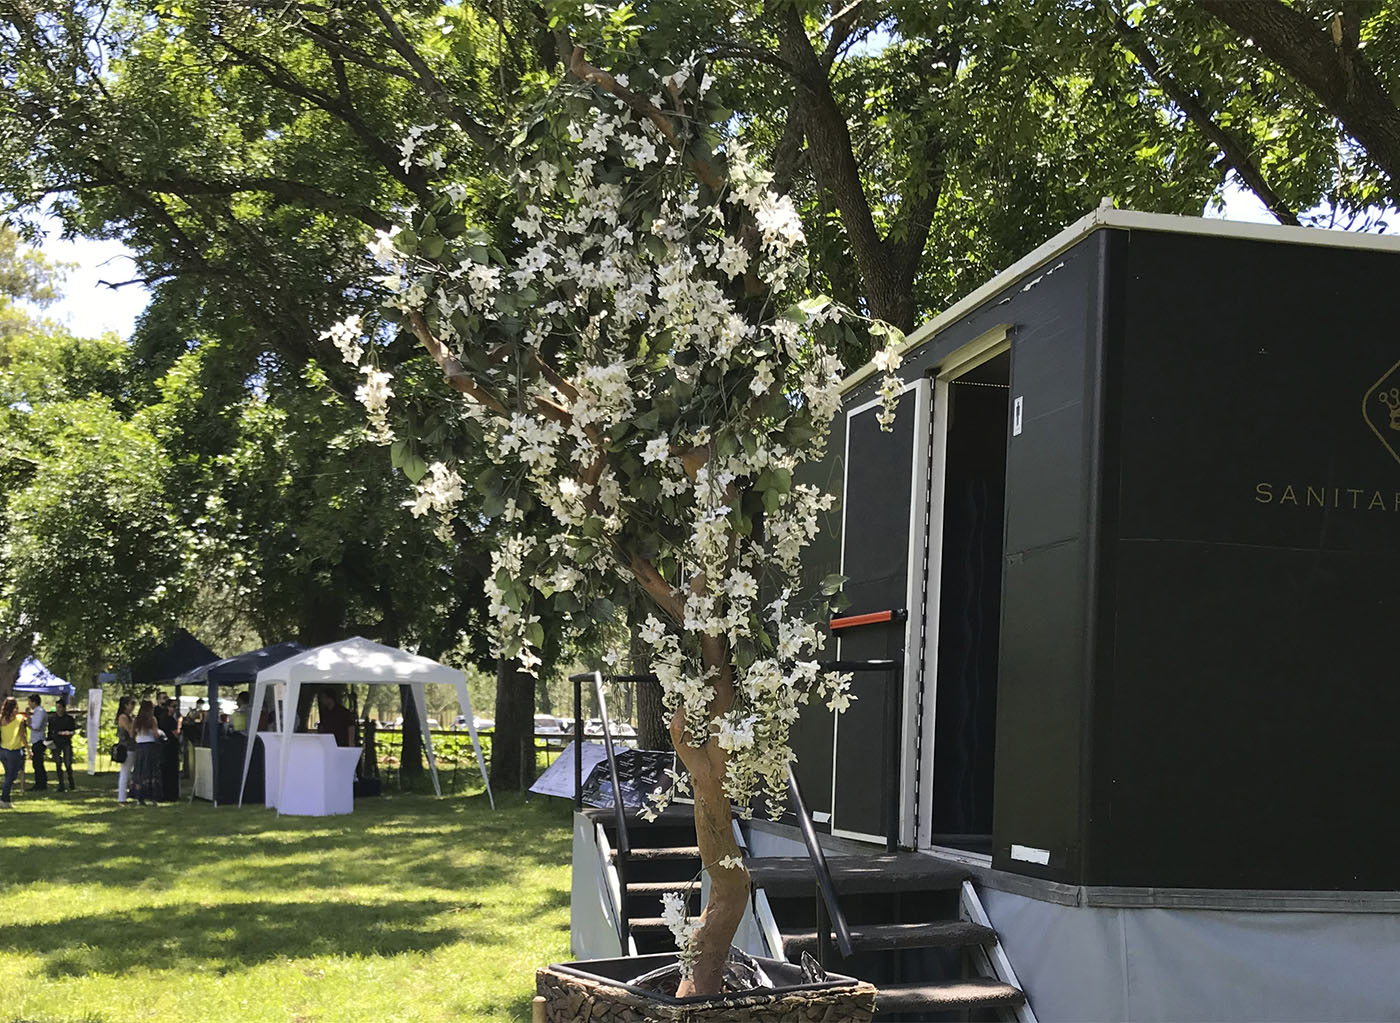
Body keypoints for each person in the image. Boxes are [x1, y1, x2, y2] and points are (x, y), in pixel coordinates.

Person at [128, 699, 164, 805]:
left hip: (139, 747)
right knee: (151, 771)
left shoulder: (136, 720)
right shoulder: (152, 719)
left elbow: (131, 735)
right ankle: (153, 797)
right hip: (150, 746)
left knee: (139, 771)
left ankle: (139, 797)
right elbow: (156, 734)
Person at [1, 696, 28, 808]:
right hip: (14, 750)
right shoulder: (19, 719)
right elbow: (22, 735)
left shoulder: (1, 719)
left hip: (2, 750)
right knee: (11, 775)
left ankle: (6, 800)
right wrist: (28, 748)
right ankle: (3, 799)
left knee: (9, 775)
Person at [47, 697, 78, 792]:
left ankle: (71, 783)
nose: (58, 710)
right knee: (58, 763)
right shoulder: (53, 719)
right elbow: (50, 732)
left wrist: (68, 733)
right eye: (57, 708)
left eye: (60, 707)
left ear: (64, 708)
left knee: (67, 762)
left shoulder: (69, 719)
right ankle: (61, 784)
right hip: (56, 743)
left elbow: (72, 730)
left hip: (66, 743)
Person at [156, 697, 180, 801]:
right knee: (171, 771)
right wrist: (180, 724)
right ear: (168, 707)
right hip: (170, 747)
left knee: (164, 771)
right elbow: (176, 734)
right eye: (173, 706)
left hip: (163, 746)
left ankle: (164, 794)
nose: (175, 709)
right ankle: (171, 795)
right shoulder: (170, 719)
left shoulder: (161, 717)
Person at [115, 696, 136, 805]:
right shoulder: (123, 717)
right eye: (131, 704)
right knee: (125, 772)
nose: (133, 707)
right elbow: (131, 733)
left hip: (132, 747)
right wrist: (135, 723)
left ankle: (132, 793)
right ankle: (122, 797)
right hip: (127, 747)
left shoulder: (129, 716)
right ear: (125, 705)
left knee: (130, 773)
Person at [26, 694, 47, 791]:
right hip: (35, 740)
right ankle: (39, 782)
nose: (29, 704)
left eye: (30, 702)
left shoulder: (39, 712)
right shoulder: (36, 712)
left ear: (34, 702)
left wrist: (28, 723)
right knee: (36, 763)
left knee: (38, 763)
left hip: (39, 740)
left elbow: (36, 726)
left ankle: (41, 784)